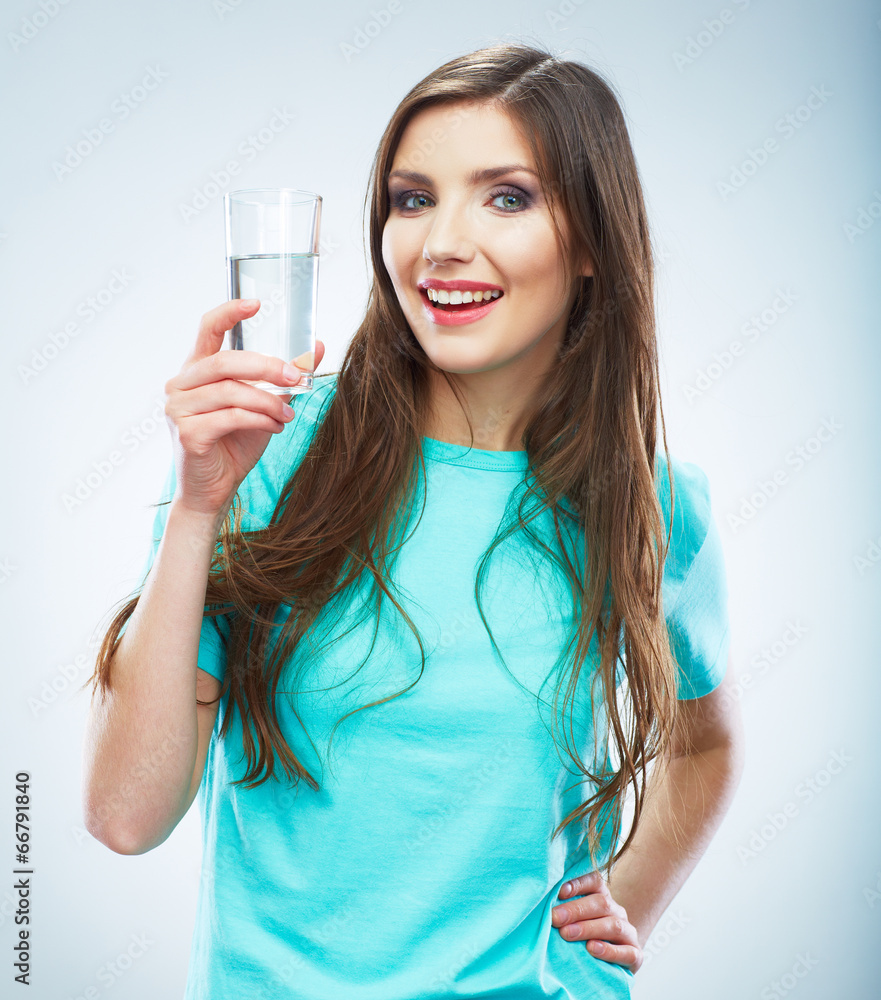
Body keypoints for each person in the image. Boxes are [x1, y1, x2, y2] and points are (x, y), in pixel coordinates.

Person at [82, 41, 744, 1000]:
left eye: (506, 196)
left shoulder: (650, 506)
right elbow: (125, 816)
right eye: (412, 197)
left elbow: (705, 743)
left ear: (592, 240)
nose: (439, 242)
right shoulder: (269, 458)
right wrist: (197, 509)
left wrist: (624, 903)